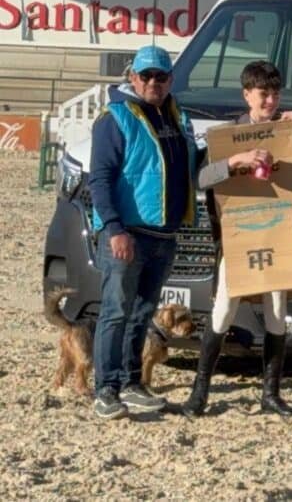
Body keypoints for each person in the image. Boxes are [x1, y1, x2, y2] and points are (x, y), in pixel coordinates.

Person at [181, 61, 292, 418]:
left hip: (279, 233)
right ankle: (200, 392)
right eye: (263, 94)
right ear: (247, 95)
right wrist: (235, 161)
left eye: (275, 94)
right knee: (224, 309)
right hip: (240, 234)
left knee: (277, 313)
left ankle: (270, 393)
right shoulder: (228, 134)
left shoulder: (287, 131)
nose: (270, 100)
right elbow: (203, 178)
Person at [87, 45, 198, 419]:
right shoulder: (115, 117)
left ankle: (132, 382)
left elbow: (190, 164)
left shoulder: (175, 114)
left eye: (161, 76)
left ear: (171, 79)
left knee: (142, 312)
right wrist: (114, 229)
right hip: (128, 233)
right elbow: (99, 179)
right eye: (146, 75)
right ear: (132, 76)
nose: (153, 82)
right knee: (115, 312)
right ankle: (106, 388)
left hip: (164, 235)